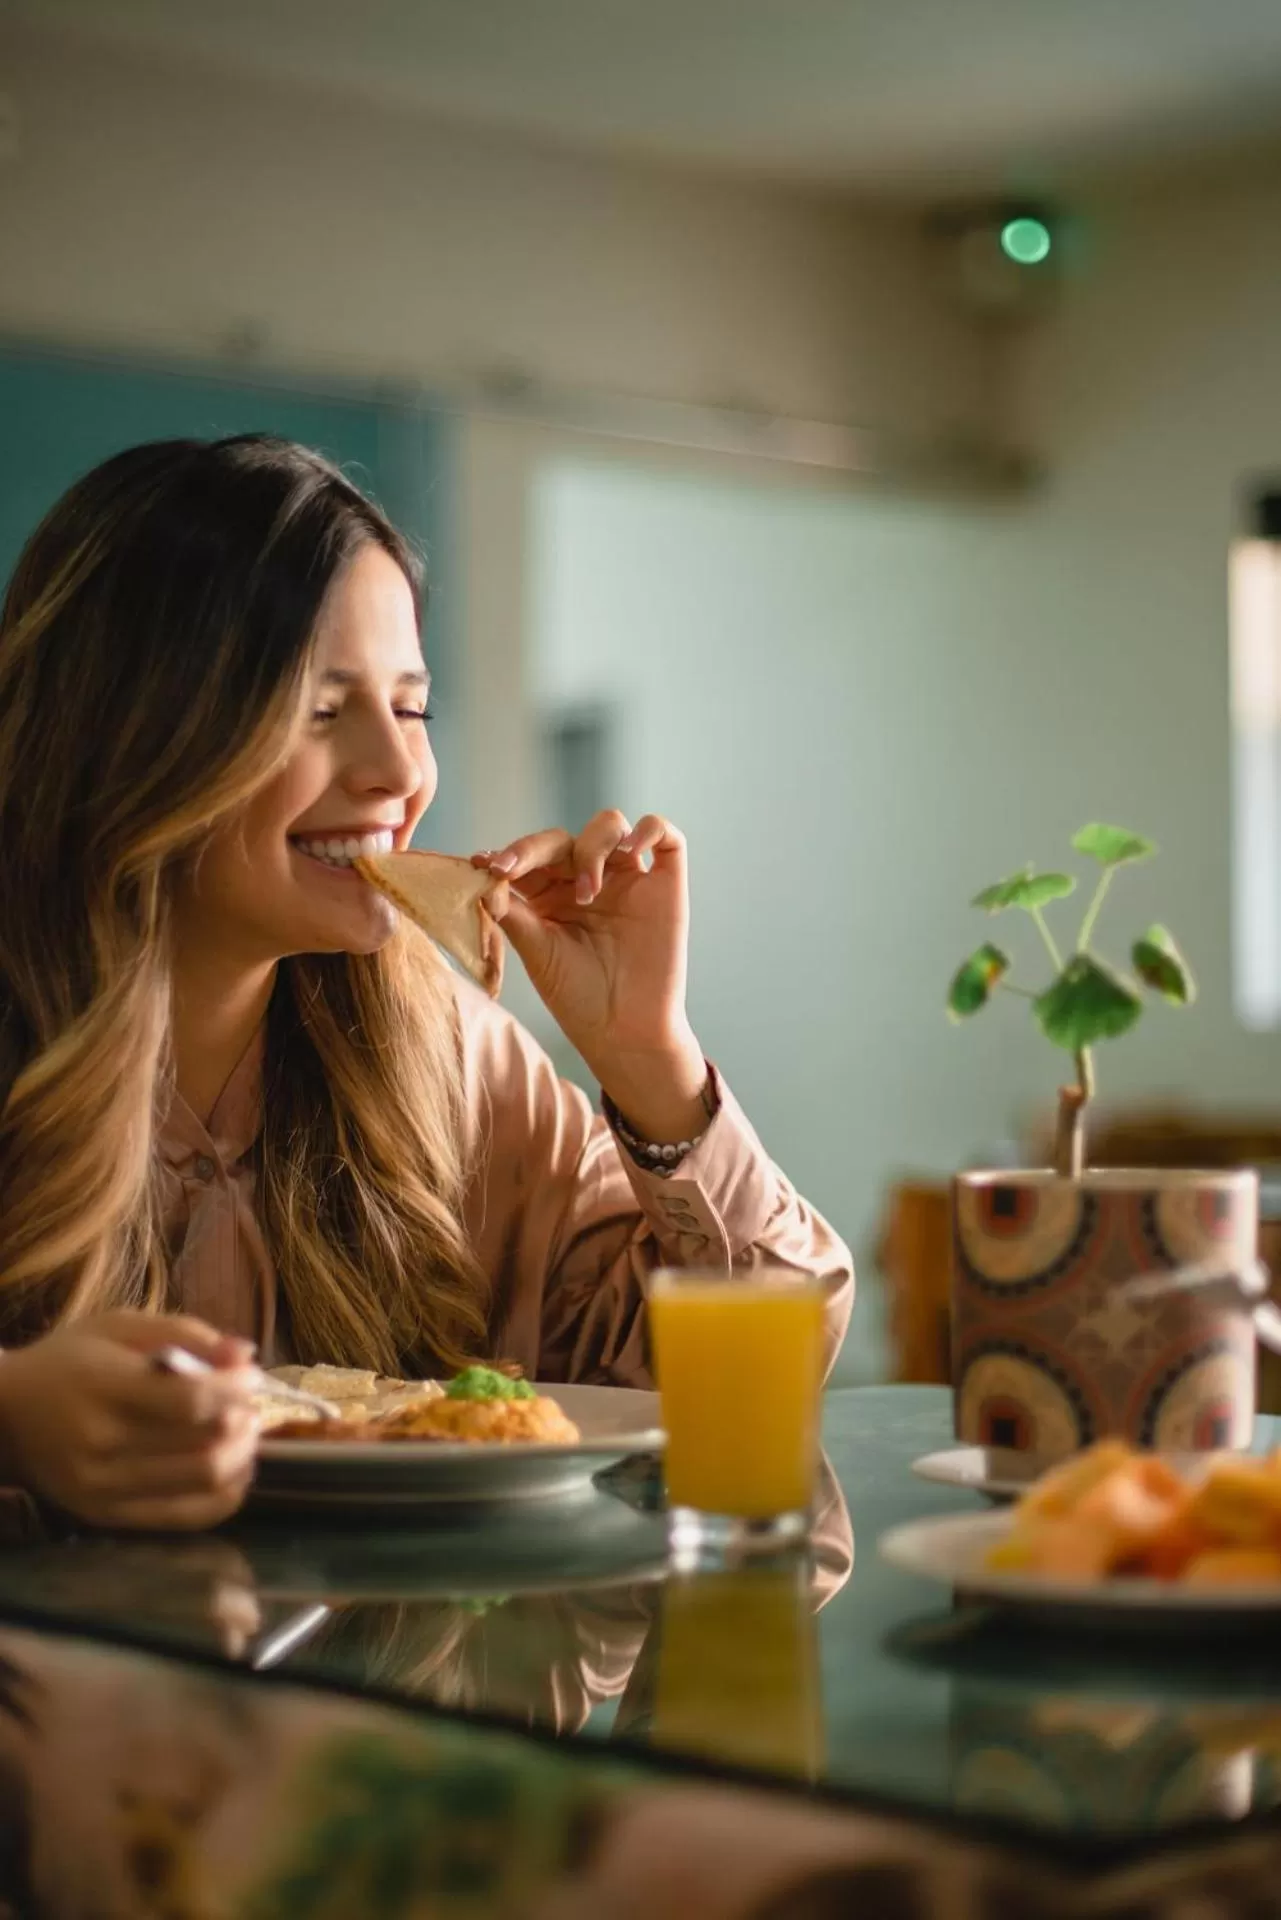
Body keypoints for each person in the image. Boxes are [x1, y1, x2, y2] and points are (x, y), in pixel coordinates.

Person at [0, 435, 853, 1529]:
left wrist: (651, 1060)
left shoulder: (448, 1046)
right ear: (130, 728)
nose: (401, 776)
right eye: (319, 708)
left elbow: (758, 1378)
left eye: (411, 708)